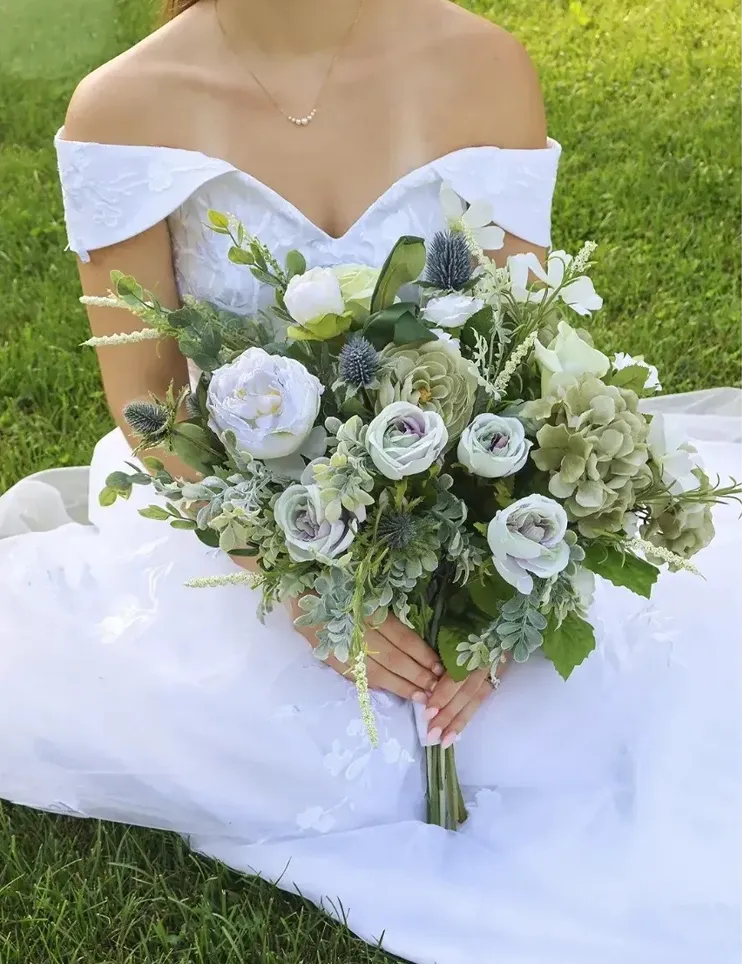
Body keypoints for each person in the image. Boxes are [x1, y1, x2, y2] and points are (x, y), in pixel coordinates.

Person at [0, 1, 739, 961]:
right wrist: (299, 580)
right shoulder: (125, 105)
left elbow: (524, 351)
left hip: (462, 495)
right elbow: (148, 405)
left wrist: (504, 586)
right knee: (314, 751)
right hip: (236, 516)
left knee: (573, 719)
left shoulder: (484, 64)